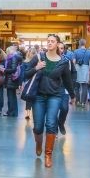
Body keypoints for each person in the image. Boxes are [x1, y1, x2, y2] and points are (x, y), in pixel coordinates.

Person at [24, 35, 74, 166]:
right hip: (39, 96)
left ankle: (48, 155)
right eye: (48, 41)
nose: (50, 43)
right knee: (38, 126)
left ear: (57, 44)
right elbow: (25, 73)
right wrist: (36, 67)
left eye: (52, 41)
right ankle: (39, 143)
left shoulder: (63, 61)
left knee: (51, 124)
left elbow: (68, 81)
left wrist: (73, 95)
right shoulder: (39, 57)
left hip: (55, 96)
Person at [4, 45, 24, 117]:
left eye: (7, 52)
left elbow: (13, 69)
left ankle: (11, 112)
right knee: (13, 97)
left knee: (10, 97)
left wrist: (4, 70)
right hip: (13, 80)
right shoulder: (15, 57)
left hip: (11, 80)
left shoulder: (12, 58)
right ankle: (14, 112)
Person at [56, 41, 72, 135]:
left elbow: (72, 74)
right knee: (53, 110)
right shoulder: (48, 59)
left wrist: (71, 87)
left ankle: (61, 123)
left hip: (64, 88)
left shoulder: (67, 60)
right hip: (52, 88)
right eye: (58, 48)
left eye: (62, 48)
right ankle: (54, 130)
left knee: (64, 108)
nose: (60, 50)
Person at [73, 39, 90, 107]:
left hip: (77, 69)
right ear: (85, 43)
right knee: (84, 86)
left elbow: (74, 61)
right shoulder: (89, 52)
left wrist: (73, 71)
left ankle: (77, 101)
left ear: (79, 43)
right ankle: (83, 102)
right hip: (86, 69)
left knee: (76, 86)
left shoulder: (75, 51)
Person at [22, 47, 36, 121]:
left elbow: (23, 74)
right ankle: (30, 113)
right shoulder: (36, 62)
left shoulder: (25, 62)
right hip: (33, 81)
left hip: (29, 81)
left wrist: (22, 83)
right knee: (32, 98)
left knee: (29, 98)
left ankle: (28, 113)